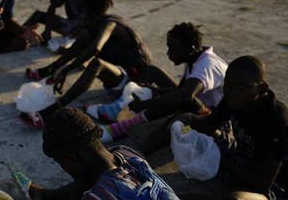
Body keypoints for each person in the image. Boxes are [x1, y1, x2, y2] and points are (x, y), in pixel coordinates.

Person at [177, 55, 288, 200]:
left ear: (262, 88)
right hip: (241, 158)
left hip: (275, 187)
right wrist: (185, 126)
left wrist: (219, 158)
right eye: (228, 85)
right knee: (182, 120)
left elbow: (261, 183)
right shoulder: (234, 98)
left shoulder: (278, 122)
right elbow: (209, 125)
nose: (232, 92)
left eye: (242, 87)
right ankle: (141, 155)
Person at [26, 107, 193, 200]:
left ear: (74, 158)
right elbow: (85, 181)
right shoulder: (128, 155)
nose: (62, 167)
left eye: (59, 161)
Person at [25, 0, 168, 108]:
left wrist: (67, 70)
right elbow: (73, 51)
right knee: (83, 40)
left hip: (135, 79)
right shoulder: (92, 26)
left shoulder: (110, 23)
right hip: (119, 79)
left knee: (96, 63)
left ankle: (59, 105)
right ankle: (50, 70)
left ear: (87, 9)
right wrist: (59, 69)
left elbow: (96, 48)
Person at [97, 22, 228, 144]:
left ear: (191, 47)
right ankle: (118, 117)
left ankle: (139, 145)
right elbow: (181, 91)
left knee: (173, 125)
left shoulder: (207, 65)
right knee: (155, 77)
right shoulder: (195, 58)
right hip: (203, 109)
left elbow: (185, 96)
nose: (168, 53)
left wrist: (145, 104)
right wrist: (155, 91)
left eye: (172, 48)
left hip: (216, 123)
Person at [22, 0, 97, 43]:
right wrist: (48, 30)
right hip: (69, 24)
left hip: (84, 27)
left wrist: (78, 30)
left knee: (89, 34)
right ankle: (19, 35)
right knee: (38, 15)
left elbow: (97, 18)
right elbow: (52, 7)